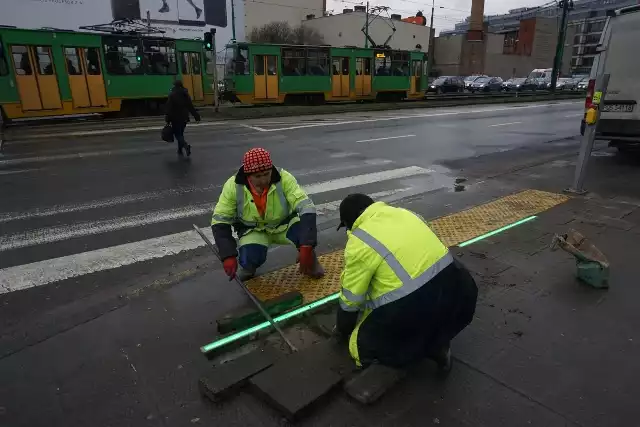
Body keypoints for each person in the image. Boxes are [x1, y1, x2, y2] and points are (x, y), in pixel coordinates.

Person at [335, 193, 478, 371]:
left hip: (416, 306)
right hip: (460, 288)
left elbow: (351, 300)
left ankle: (424, 349)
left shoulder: (360, 241)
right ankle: (437, 342)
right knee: (425, 314)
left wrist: (342, 329)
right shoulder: (407, 213)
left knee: (359, 346)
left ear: (349, 221)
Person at [211, 148, 325, 281]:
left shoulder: (284, 178)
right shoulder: (233, 186)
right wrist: (227, 255)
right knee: (249, 257)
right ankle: (248, 269)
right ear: (248, 175)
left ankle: (310, 262)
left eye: (266, 174)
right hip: (254, 230)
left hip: (284, 224)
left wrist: (307, 245)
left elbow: (306, 207)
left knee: (305, 236)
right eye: (257, 177)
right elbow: (220, 220)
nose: (264, 180)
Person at [165, 80, 200, 157]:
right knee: (180, 133)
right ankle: (180, 150)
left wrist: (167, 118)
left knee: (178, 134)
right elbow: (190, 106)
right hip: (184, 117)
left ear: (175, 86)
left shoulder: (172, 95)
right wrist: (196, 116)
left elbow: (169, 108)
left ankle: (185, 146)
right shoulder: (185, 94)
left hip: (175, 118)